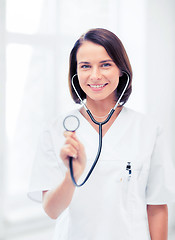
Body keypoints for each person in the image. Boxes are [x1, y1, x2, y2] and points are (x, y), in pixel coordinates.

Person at [28, 28, 175, 240]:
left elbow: (157, 206)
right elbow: (52, 211)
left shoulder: (149, 129)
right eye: (85, 66)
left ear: (121, 70)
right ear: (76, 73)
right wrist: (72, 176)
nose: (95, 75)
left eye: (105, 64)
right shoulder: (56, 130)